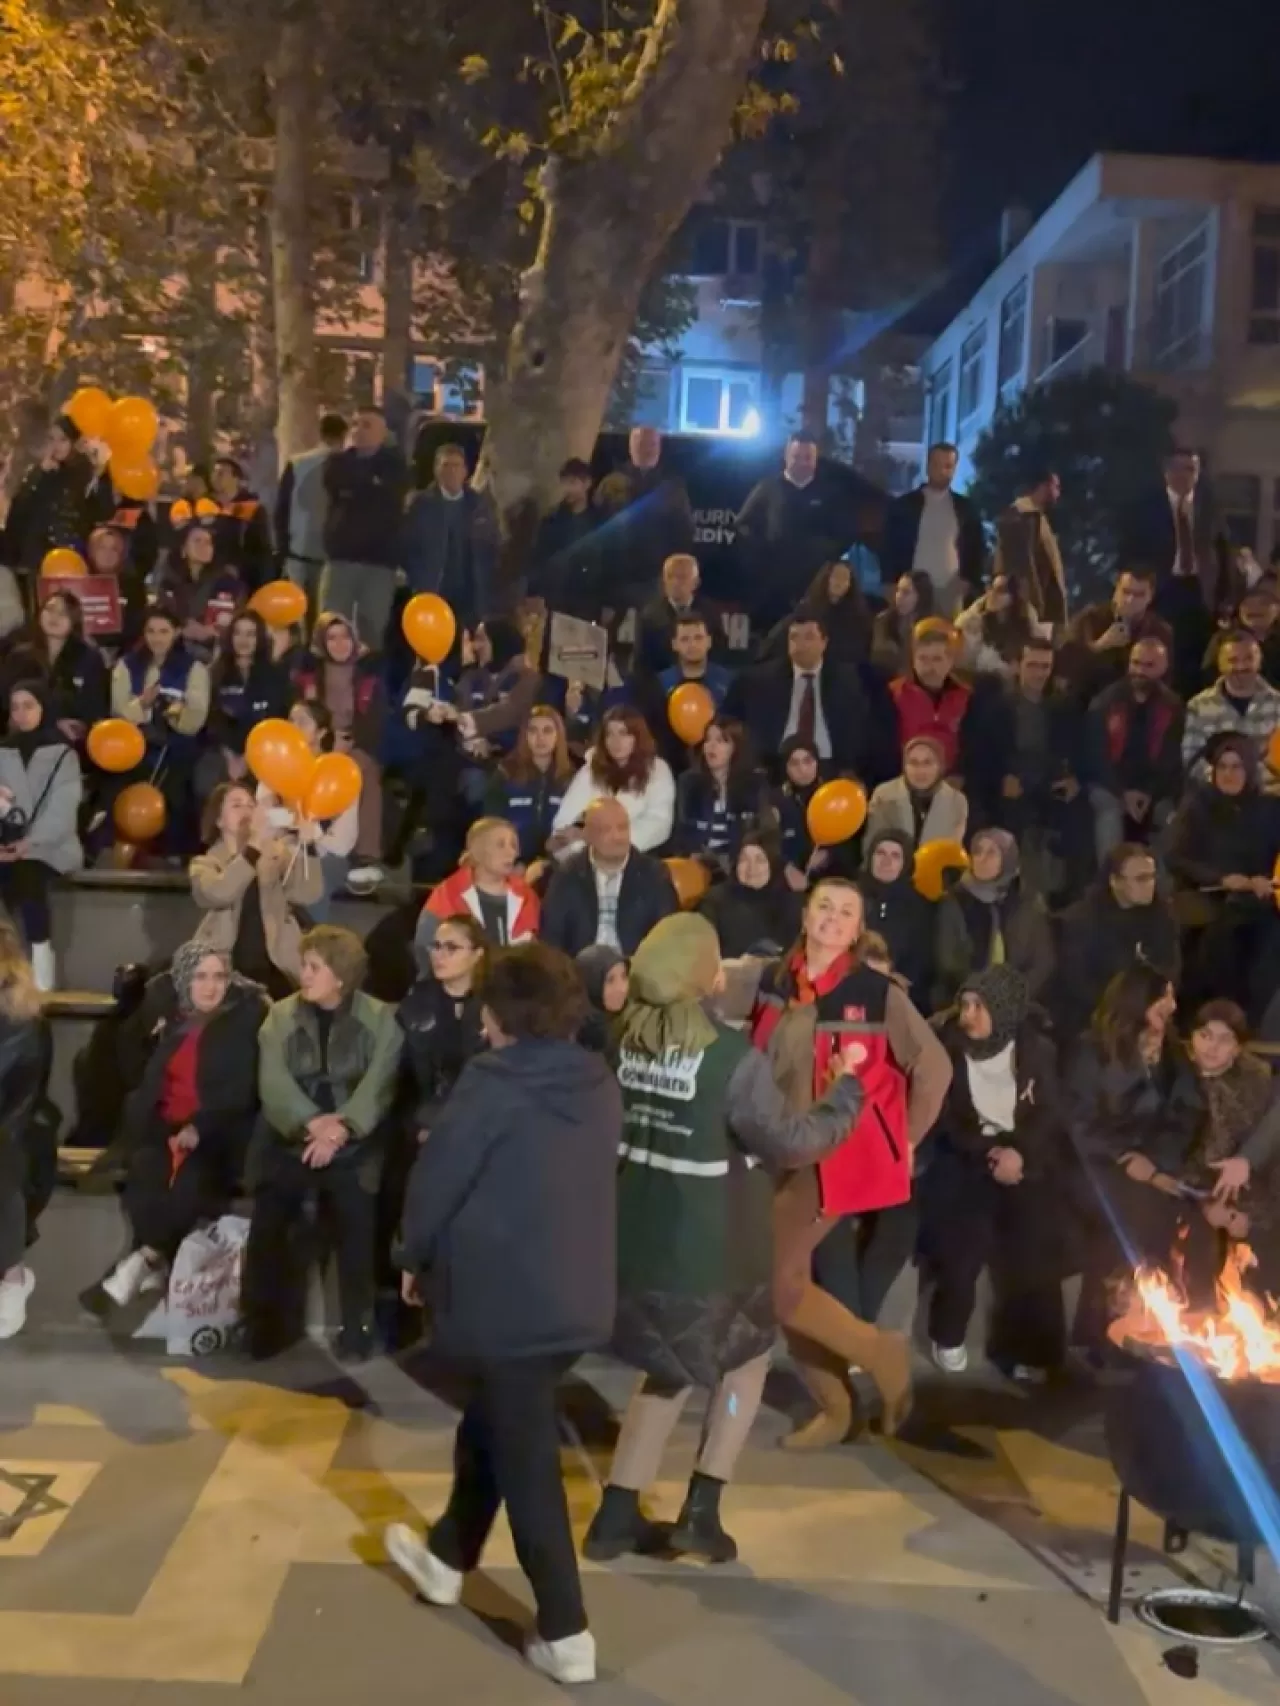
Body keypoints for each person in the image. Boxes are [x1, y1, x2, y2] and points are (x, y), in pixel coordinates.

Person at [583, 913, 865, 1566]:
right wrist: (844, 1091)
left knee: (665, 1371)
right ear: (705, 975)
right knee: (744, 1363)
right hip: (715, 1250)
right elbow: (791, 1142)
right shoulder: (730, 1060)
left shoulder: (621, 1038)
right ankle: (701, 1513)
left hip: (637, 1243)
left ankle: (615, 1517)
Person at [385, 943, 619, 1687]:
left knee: (527, 1460)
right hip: (576, 1292)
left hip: (504, 1294)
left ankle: (565, 1629)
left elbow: (438, 1178)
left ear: (500, 1013)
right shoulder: (597, 1079)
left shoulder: (490, 1082)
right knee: (495, 1420)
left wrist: (412, 1257)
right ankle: (447, 1558)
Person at [734, 878, 951, 1446]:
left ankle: (879, 1352)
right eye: (823, 907)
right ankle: (837, 1408)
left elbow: (936, 1068)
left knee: (774, 1280)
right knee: (784, 1281)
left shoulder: (876, 993)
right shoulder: (774, 981)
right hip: (776, 1142)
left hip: (835, 1152)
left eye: (845, 912)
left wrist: (905, 1138)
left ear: (858, 930)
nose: (832, 918)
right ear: (805, 916)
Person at [243, 925, 403, 1361]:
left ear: (341, 974)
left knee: (356, 1215)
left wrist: (343, 1129)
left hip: (355, 1141)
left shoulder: (380, 1018)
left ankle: (358, 1330)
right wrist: (314, 1124)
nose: (304, 974)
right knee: (271, 1214)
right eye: (305, 965)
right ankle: (264, 1327)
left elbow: (379, 1086)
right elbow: (273, 1085)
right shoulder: (279, 1016)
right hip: (291, 1136)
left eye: (314, 967)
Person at [92, 943, 267, 1309]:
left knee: (192, 1180)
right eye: (201, 977)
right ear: (185, 981)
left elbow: (242, 1090)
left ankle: (146, 1258)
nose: (211, 987)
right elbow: (147, 1080)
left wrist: (200, 1127)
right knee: (144, 1168)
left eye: (219, 977)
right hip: (168, 1123)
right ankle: (157, 1259)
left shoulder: (244, 1018)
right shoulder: (172, 1020)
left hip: (223, 1129)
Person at [922, 966, 1065, 1379]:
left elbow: (1049, 1114)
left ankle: (1026, 1349)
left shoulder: (1036, 1050)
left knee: (1035, 1239)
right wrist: (992, 1154)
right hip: (966, 1159)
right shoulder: (947, 1049)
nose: (968, 1015)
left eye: (979, 1007)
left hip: (1021, 1158)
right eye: (965, 1005)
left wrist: (1019, 1155)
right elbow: (947, 1121)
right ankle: (946, 1333)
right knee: (966, 1241)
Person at [1065, 967, 1211, 1341]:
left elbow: (1186, 1112)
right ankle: (1100, 1332)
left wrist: (1157, 1163)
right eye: (1163, 996)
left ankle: (1152, 1324)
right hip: (1101, 1165)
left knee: (1169, 1206)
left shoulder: (1173, 1053)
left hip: (1156, 1161)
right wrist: (1129, 1158)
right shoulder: (1093, 1050)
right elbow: (1080, 1123)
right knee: (1131, 1214)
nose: (1172, 1005)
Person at [1167, 731, 1280, 1018]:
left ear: (1250, 770)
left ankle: (1252, 1019)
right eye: (1223, 767)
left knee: (1270, 932)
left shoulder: (1268, 808)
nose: (1229, 774)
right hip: (1205, 892)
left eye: (1237, 766)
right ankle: (1211, 1015)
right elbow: (1177, 858)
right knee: (1224, 930)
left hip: (1255, 896)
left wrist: (1261, 881)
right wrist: (1222, 879)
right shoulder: (1198, 805)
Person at [725, 608, 896, 785]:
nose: (800, 644)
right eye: (794, 637)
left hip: (832, 768)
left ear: (824, 642)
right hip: (775, 768)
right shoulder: (758, 682)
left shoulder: (851, 681)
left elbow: (864, 735)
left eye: (808, 637)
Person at [190, 782, 323, 999]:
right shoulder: (205, 864)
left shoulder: (276, 855)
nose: (247, 811)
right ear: (219, 820)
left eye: (251, 805)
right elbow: (219, 892)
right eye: (237, 805)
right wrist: (253, 847)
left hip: (277, 966)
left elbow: (308, 893)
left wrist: (309, 847)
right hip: (225, 969)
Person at [0, 682, 83, 990]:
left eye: (28, 705)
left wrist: (28, 844)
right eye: (16, 707)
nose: (21, 714)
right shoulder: (3, 751)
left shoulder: (63, 755)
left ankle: (41, 959)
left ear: (43, 707)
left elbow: (62, 809)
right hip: (8, 845)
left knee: (27, 873)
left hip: (51, 846)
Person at [294, 612, 385, 890]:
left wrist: (348, 744)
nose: (340, 643)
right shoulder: (309, 676)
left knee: (362, 769)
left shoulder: (369, 675)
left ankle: (366, 857)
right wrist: (329, 742)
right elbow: (304, 715)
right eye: (332, 638)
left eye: (345, 636)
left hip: (357, 743)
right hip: (318, 742)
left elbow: (375, 722)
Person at [110, 604, 211, 852]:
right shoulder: (126, 666)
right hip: (134, 749)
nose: (157, 638)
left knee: (176, 790)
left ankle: (173, 853)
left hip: (176, 748)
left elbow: (194, 721)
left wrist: (173, 711)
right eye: (151, 631)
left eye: (164, 631)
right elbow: (117, 712)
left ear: (176, 632)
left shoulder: (194, 669)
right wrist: (142, 704)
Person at [1056, 844, 1180, 1041]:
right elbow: (1078, 982)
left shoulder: (1162, 914)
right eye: (1141, 879)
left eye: (1152, 876)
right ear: (1115, 881)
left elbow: (1170, 965)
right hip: (1097, 1018)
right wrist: (1126, 1009)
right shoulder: (1082, 920)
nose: (1150, 884)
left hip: (1151, 1013)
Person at [1197, 1003, 1280, 1297]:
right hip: (1193, 1194)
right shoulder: (1179, 1080)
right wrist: (1207, 1204)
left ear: (1238, 1048)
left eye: (1224, 1040)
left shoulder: (1256, 1083)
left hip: (1254, 1197)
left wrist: (1243, 1213)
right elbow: (1176, 1155)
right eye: (1205, 1036)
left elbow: (1266, 1156)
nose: (1212, 1047)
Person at [734, 432, 856, 629]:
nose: (802, 462)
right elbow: (742, 526)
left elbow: (846, 533)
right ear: (786, 456)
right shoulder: (768, 487)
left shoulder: (830, 493)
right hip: (770, 592)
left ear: (816, 459)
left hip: (815, 589)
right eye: (796, 456)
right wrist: (759, 557)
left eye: (808, 457)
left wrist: (822, 553)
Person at [932, 828, 1055, 1011]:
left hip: (1018, 1005)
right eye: (978, 851)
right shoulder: (954, 900)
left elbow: (1043, 961)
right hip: (963, 1003)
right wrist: (984, 997)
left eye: (991, 852)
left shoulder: (1028, 902)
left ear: (1007, 859)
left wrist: (1013, 997)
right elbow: (949, 962)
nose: (982, 859)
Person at [1085, 636, 1184, 862]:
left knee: (1171, 818)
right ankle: (1109, 883)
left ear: (1164, 667)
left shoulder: (1172, 706)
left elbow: (1170, 761)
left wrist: (1149, 792)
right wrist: (1123, 793)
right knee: (1109, 813)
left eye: (1149, 666)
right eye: (1136, 663)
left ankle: (1157, 890)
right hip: (1109, 784)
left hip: (1155, 789)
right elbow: (1096, 758)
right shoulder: (1105, 702)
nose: (1139, 671)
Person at [541, 797, 678, 958]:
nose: (617, 837)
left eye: (622, 828)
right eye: (606, 830)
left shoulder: (654, 874)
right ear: (587, 835)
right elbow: (551, 939)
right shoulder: (567, 875)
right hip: (581, 973)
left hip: (636, 972)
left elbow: (669, 937)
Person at [321, 405, 410, 649]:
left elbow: (389, 496)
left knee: (371, 632)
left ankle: (367, 685)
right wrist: (371, 483)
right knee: (330, 626)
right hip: (342, 558)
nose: (359, 430)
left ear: (383, 433)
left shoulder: (395, 465)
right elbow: (338, 486)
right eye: (356, 424)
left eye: (367, 425)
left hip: (379, 562)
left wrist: (359, 487)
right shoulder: (337, 462)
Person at [0, 930, 52, 1338]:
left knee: (4, 1160)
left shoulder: (23, 1017)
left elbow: (24, 1092)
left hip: (16, 1122)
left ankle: (13, 1277)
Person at [0, 413, 109, 585]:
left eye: (62, 440)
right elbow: (19, 512)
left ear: (74, 443)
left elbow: (101, 512)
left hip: (71, 559)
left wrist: (101, 474)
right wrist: (40, 474)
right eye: (51, 439)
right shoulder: (41, 472)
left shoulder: (85, 474)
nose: (56, 446)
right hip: (36, 561)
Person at [401, 442, 501, 629]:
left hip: (470, 592)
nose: (451, 471)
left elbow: (492, 544)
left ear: (465, 471)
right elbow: (406, 545)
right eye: (445, 465)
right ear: (436, 470)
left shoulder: (479, 505)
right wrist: (418, 577)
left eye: (456, 465)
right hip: (432, 588)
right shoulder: (421, 504)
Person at [552, 705, 676, 855]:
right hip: (585, 860)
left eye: (623, 733)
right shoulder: (590, 770)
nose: (616, 741)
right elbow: (564, 821)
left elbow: (658, 824)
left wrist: (607, 843)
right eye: (610, 734)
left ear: (637, 737)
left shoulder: (657, 771)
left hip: (637, 858)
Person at [882, 442, 986, 619]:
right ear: (928, 466)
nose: (943, 471)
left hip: (950, 592)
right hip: (913, 590)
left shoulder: (965, 509)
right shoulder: (904, 506)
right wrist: (890, 582)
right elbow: (888, 547)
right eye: (937, 465)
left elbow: (977, 548)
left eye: (948, 466)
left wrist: (968, 582)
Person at [199, 610, 293, 801]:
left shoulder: (275, 675)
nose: (243, 640)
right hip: (222, 752)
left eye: (251, 634)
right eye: (238, 633)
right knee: (207, 780)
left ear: (259, 639)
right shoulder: (214, 674)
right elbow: (212, 721)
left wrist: (247, 758)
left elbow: (278, 719)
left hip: (263, 753)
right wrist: (230, 757)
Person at [603, 426, 695, 618]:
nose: (648, 449)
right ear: (631, 446)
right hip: (617, 575)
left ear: (660, 448)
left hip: (657, 577)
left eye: (653, 444)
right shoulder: (612, 482)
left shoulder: (672, 486)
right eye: (642, 444)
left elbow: (685, 532)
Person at [417, 818, 540, 955]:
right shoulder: (447, 895)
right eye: (500, 845)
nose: (511, 853)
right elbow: (425, 949)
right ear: (477, 850)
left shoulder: (527, 896)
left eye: (514, 845)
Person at [1060, 567, 1173, 705]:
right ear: (1116, 591)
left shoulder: (1159, 631)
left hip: (1138, 705)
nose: (1130, 600)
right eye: (1126, 592)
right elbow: (1065, 667)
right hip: (1088, 702)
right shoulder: (1089, 619)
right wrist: (1099, 646)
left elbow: (1166, 679)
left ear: (1150, 596)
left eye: (1139, 594)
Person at [1181, 631, 1280, 783]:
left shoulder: (1277, 704)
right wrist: (1225, 779)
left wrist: (1250, 780)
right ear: (1220, 664)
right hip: (1215, 795)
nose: (1241, 666)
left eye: (1248, 659)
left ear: (1259, 661)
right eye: (1232, 660)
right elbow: (1191, 757)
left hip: (1266, 794)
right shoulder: (1198, 706)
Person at [672, 716, 770, 869]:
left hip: (738, 865)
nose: (711, 746)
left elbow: (763, 833)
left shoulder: (754, 784)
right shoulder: (689, 782)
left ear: (736, 747)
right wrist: (692, 855)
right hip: (697, 865)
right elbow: (681, 833)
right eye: (708, 740)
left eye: (721, 741)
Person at [275, 411, 348, 615]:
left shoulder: (297, 463)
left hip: (299, 553)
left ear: (320, 433)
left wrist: (283, 549)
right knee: (329, 619)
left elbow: (281, 510)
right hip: (334, 559)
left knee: (297, 615)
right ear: (344, 435)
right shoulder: (351, 465)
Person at [482, 705, 574, 866]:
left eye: (547, 731)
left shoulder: (570, 778)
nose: (540, 738)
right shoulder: (506, 772)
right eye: (533, 731)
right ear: (524, 735)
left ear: (558, 735)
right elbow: (491, 823)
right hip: (511, 862)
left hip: (556, 865)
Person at [856, 828, 937, 1004]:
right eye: (880, 853)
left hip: (898, 992)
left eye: (895, 856)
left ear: (905, 863)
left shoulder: (918, 905)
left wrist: (897, 978)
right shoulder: (852, 895)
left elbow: (922, 956)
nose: (886, 861)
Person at [154, 516, 245, 659]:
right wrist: (183, 628)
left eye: (208, 542)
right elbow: (162, 615)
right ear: (183, 549)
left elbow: (238, 618)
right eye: (197, 541)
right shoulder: (168, 583)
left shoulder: (229, 583)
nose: (204, 546)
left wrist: (212, 632)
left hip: (215, 652)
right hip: (175, 650)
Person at [697, 834, 802, 958]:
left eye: (760, 860)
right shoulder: (715, 900)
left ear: (772, 865)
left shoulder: (789, 902)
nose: (752, 868)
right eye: (744, 860)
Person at [887, 622, 972, 771]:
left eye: (937, 659)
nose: (930, 667)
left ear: (950, 661)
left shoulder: (967, 697)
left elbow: (972, 745)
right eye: (923, 659)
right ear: (913, 660)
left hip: (953, 781)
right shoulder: (894, 694)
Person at [759, 559, 873, 668]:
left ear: (850, 584)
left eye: (844, 578)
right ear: (826, 579)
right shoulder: (806, 611)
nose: (839, 582)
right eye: (836, 576)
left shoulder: (858, 618)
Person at [865, 733, 968, 851]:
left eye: (927, 763)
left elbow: (951, 852)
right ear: (904, 766)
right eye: (913, 763)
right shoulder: (883, 795)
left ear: (940, 766)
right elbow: (873, 846)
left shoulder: (956, 802)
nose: (920, 770)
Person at [992, 469, 1067, 630]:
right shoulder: (1019, 516)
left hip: (1041, 616)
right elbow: (1019, 570)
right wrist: (1031, 609)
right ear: (1044, 486)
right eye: (1056, 487)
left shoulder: (1038, 518)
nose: (1058, 493)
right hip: (1026, 616)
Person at [528, 457, 602, 618]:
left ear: (587, 483)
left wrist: (610, 601)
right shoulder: (552, 521)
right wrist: (534, 592)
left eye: (573, 482)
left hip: (589, 599)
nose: (568, 489)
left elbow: (609, 560)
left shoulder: (600, 520)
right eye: (565, 483)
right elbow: (539, 558)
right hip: (558, 598)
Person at [632, 552, 720, 679]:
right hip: (662, 687)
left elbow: (720, 655)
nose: (675, 582)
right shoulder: (649, 616)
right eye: (670, 576)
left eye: (682, 577)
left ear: (696, 582)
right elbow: (641, 662)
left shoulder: (710, 614)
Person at [953, 573, 1040, 680]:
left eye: (1001, 590)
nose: (992, 593)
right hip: (981, 681)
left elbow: (1037, 647)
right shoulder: (971, 618)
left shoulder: (1027, 614)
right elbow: (964, 662)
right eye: (989, 586)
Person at [209, 457, 273, 591]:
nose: (215, 477)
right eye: (214, 472)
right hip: (210, 580)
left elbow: (262, 553)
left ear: (236, 479)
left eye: (221, 473)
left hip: (241, 582)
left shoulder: (251, 509)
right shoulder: (208, 506)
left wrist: (238, 567)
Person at [870, 572, 935, 679]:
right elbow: (878, 658)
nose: (899, 596)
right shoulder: (882, 620)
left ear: (921, 597)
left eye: (906, 592)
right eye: (898, 590)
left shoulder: (931, 628)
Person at [575, 943, 628, 1053]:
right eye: (610, 980)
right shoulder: (577, 1036)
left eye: (624, 976)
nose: (622, 988)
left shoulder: (629, 1021)